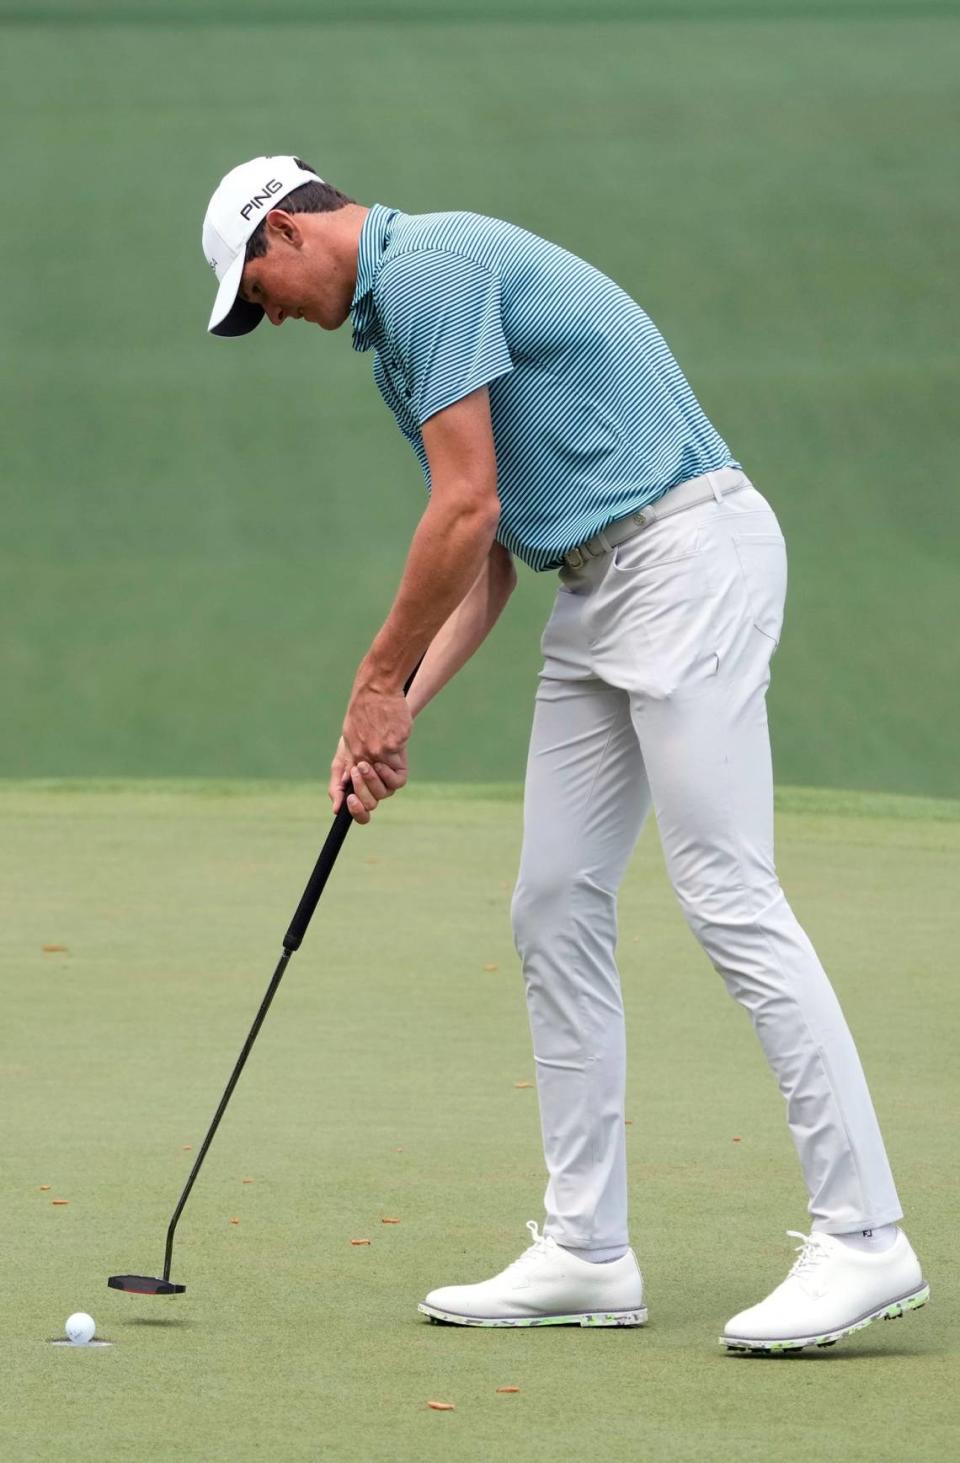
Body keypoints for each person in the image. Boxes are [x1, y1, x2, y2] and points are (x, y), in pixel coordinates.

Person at [200, 155, 929, 1351]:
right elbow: (489, 554)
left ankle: (865, 1234)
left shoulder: (428, 268)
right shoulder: (397, 335)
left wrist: (375, 680)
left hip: (687, 553)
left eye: (256, 285)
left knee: (729, 894)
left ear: (285, 225)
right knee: (551, 901)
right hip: (593, 584)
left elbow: (465, 508)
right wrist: (391, 717)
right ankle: (588, 1247)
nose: (264, 312)